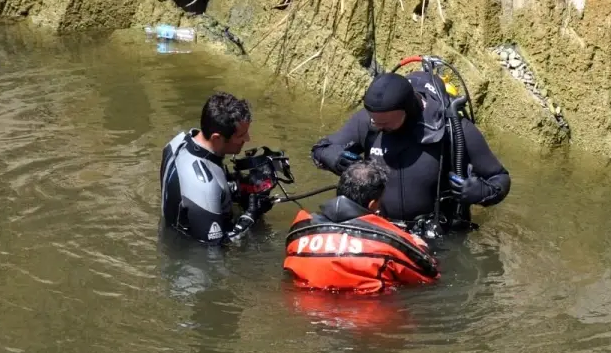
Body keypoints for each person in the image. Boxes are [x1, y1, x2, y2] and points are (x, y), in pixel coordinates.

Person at [309, 71, 510, 233]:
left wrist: (481, 192)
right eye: (374, 120)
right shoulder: (370, 121)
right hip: (379, 230)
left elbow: (500, 178)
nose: (377, 126)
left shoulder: (454, 130)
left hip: (436, 235)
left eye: (385, 123)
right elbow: (321, 148)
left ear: (408, 110)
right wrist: (332, 157)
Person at [283, 159, 440, 294]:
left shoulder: (299, 230)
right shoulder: (390, 242)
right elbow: (430, 277)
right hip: (366, 318)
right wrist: (420, 247)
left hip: (309, 311)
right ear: (372, 204)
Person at [159, 91, 273, 244]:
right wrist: (251, 215)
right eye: (241, 136)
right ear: (217, 138)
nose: (247, 139)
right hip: (191, 254)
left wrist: (238, 186)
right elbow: (214, 249)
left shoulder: (178, 142)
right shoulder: (204, 186)